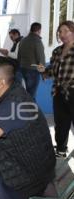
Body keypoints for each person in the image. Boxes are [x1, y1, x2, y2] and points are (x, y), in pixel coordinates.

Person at [0, 56, 56, 199]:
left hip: (28, 183)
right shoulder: (5, 94)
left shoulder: (15, 104)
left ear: (1, 83)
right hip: (27, 172)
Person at [37, 20, 74, 158]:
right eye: (60, 31)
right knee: (61, 122)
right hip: (58, 91)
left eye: (65, 31)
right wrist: (43, 71)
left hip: (73, 91)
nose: (62, 34)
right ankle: (61, 149)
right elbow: (52, 73)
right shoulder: (57, 51)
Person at [18, 22, 45, 99]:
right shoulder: (37, 41)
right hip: (33, 71)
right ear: (39, 30)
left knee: (26, 93)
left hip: (23, 69)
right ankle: (31, 110)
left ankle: (25, 109)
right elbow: (41, 58)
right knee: (31, 95)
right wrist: (43, 72)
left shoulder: (23, 40)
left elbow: (19, 56)